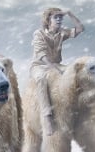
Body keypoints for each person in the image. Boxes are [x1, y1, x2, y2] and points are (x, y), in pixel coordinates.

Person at [30, 7, 84, 136]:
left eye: (61, 17)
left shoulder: (62, 33)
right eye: (56, 17)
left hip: (56, 64)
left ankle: (76, 110)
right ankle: (47, 116)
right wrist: (53, 68)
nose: (59, 19)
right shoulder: (39, 33)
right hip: (40, 65)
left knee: (76, 73)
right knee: (41, 79)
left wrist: (70, 13)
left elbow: (80, 29)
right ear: (48, 20)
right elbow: (41, 54)